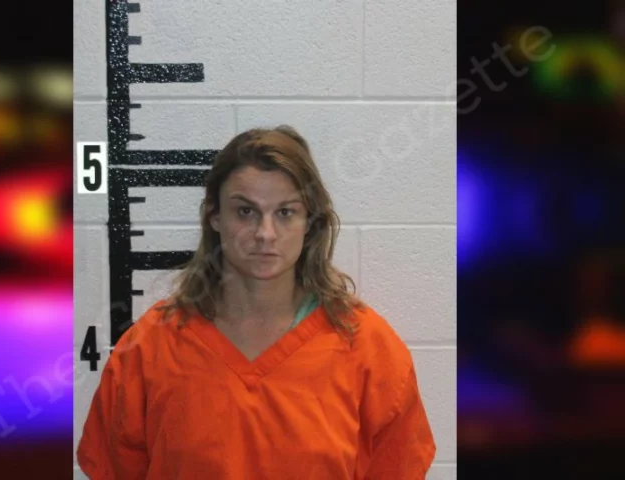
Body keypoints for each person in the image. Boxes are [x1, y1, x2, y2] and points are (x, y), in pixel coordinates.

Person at [76, 125, 436, 479]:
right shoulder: (149, 348)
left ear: (309, 222)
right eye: (245, 212)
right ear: (215, 217)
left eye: (285, 212)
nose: (265, 233)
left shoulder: (368, 349)